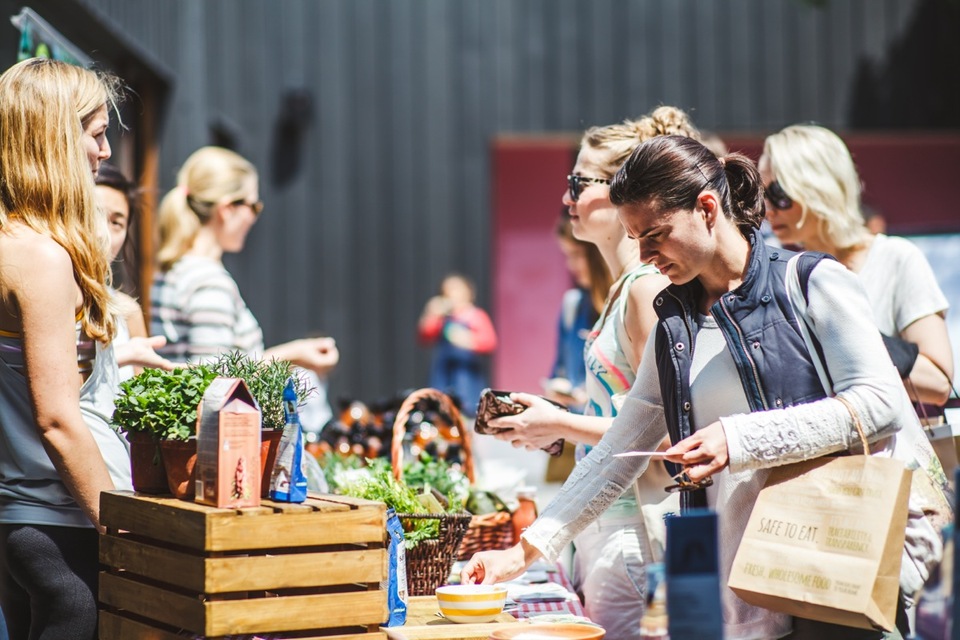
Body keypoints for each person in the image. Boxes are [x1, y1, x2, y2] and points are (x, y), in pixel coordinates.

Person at [463, 134, 948, 640]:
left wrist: (735, 439)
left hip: (838, 569)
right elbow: (616, 453)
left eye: (656, 234)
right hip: (746, 588)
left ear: (707, 207)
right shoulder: (674, 321)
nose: (646, 254)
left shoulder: (813, 282)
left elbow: (879, 404)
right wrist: (524, 551)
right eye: (635, 239)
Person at [484, 108, 696, 639]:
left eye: (579, 182)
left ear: (622, 190)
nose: (566, 198)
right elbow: (629, 415)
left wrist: (560, 423)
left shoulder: (646, 290)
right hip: (608, 527)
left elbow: (671, 429)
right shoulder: (627, 290)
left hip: (634, 532)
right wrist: (557, 427)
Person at [0, 58, 131, 639]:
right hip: (59, 523)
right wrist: (119, 527)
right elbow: (56, 418)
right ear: (56, 137)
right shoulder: (41, 257)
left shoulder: (14, 241)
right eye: (97, 133)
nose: (105, 153)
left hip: (24, 522)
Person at [760, 125, 953, 407]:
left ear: (818, 188)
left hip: (894, 447)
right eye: (761, 195)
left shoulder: (895, 258)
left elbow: (938, 383)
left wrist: (843, 334)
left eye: (778, 193)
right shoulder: (783, 274)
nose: (768, 209)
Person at [150, 146, 339, 384]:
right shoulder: (209, 281)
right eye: (253, 207)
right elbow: (212, 381)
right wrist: (292, 355)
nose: (255, 217)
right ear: (227, 209)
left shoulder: (172, 270)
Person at [94, 161, 172, 380]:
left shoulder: (127, 312)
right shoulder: (49, 296)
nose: (102, 233)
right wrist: (122, 355)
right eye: (93, 214)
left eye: (116, 223)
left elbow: (145, 399)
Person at [541, 212, 609, 411]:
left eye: (577, 254)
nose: (571, 265)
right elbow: (559, 371)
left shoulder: (628, 303)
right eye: (568, 255)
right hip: (578, 434)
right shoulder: (573, 304)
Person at [417, 273, 497, 415]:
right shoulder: (443, 317)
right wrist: (431, 314)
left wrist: (468, 340)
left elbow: (490, 342)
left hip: (465, 372)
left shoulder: (475, 315)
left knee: (467, 405)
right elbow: (425, 335)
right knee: (441, 405)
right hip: (444, 370)